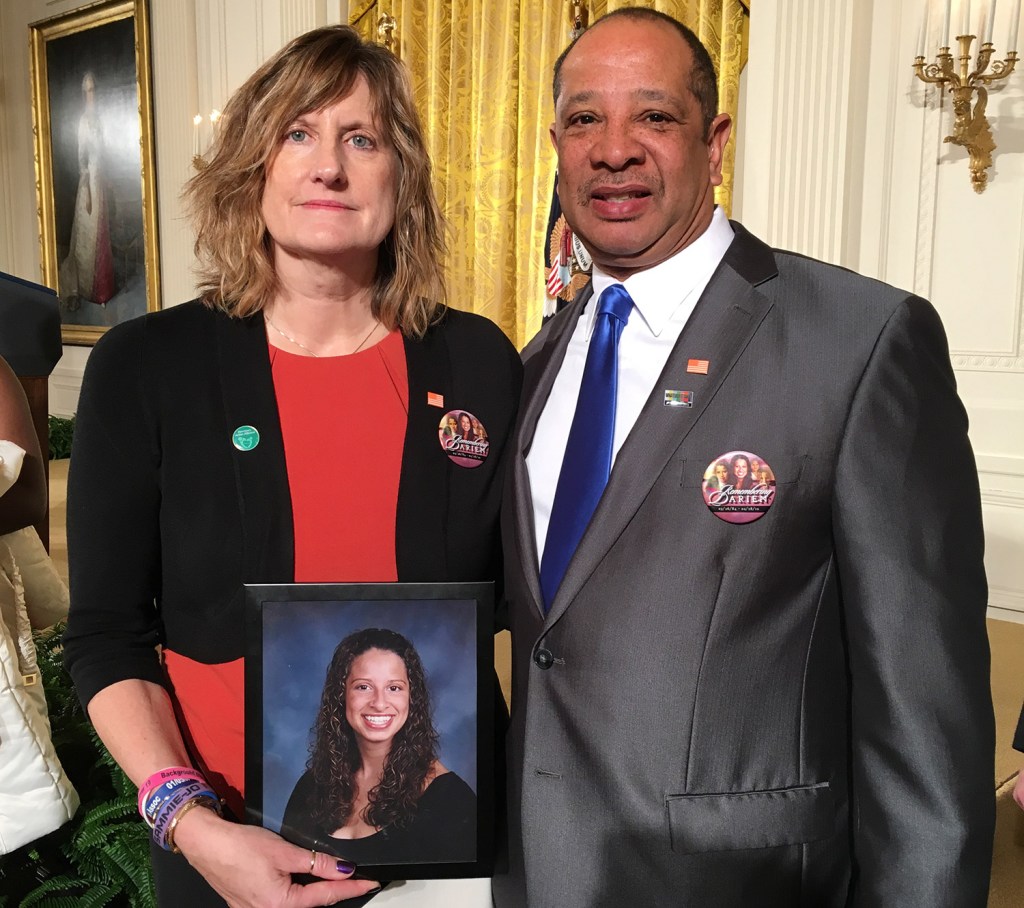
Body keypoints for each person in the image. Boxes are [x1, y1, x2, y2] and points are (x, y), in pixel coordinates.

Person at [494, 7, 993, 907]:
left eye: (653, 116)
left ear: (714, 142)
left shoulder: (859, 340)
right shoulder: (528, 366)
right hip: (536, 877)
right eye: (582, 119)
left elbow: (925, 722)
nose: (614, 150)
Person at [63, 25, 521, 908]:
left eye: (363, 139)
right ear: (253, 166)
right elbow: (106, 635)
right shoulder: (148, 366)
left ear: (401, 175)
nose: (329, 168)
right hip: (224, 846)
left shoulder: (477, 363)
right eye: (298, 134)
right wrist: (187, 821)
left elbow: (528, 605)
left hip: (446, 855)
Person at [282, 628, 475, 865]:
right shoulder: (311, 786)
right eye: (363, 686)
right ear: (341, 695)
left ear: (411, 698)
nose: (379, 703)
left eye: (394, 688)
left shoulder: (451, 800)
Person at [58, 71, 115, 309]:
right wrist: (89, 188)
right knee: (87, 236)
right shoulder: (83, 121)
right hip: (89, 181)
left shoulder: (100, 119)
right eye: (88, 91)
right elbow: (82, 156)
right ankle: (84, 288)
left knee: (102, 234)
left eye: (94, 91)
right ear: (84, 94)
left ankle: (103, 288)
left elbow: (106, 152)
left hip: (100, 179)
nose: (91, 95)